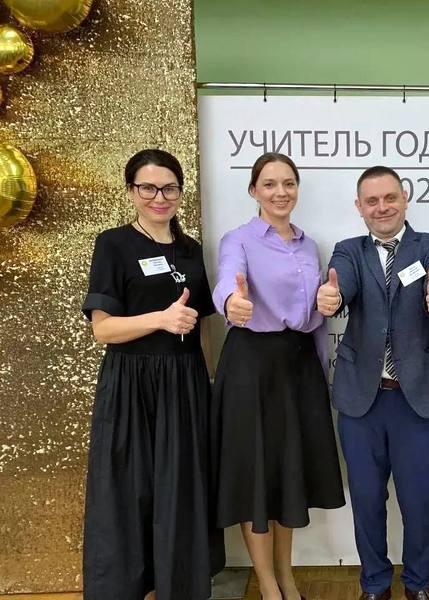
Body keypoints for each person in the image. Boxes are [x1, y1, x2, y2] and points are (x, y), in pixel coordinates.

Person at [81, 148, 224, 600]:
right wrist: (159, 319)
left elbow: (201, 326)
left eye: (169, 188)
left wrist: (209, 381)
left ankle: (178, 587)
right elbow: (102, 329)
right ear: (131, 191)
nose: (159, 197)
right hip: (131, 385)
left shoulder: (192, 251)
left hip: (185, 384)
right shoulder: (114, 244)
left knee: (181, 489)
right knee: (128, 490)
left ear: (180, 192)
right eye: (148, 188)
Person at [316, 166, 429, 600]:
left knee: (420, 501)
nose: (382, 207)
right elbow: (342, 284)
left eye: (390, 198)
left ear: (405, 198)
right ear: (359, 207)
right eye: (372, 201)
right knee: (366, 500)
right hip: (363, 400)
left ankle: (418, 584)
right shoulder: (349, 250)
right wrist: (332, 297)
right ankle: (375, 585)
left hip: (417, 399)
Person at [211, 152, 344, 600]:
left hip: (299, 367)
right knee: (257, 477)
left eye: (288, 183)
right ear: (254, 191)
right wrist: (231, 302)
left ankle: (286, 576)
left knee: (289, 475)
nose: (280, 192)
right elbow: (228, 279)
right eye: (269, 184)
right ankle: (267, 584)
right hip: (253, 366)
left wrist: (329, 304)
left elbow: (317, 313)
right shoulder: (238, 239)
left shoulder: (309, 245)